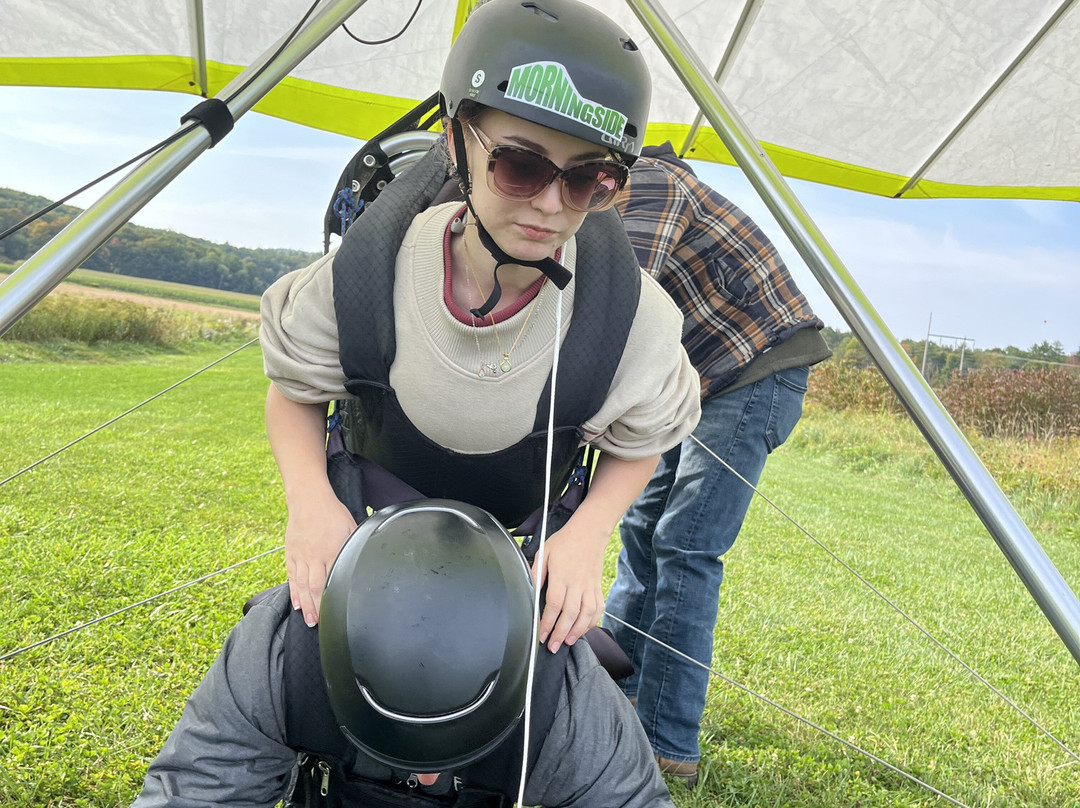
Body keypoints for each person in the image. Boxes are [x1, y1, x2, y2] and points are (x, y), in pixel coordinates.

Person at [259, 0, 699, 658]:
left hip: (515, 538)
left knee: (580, 711)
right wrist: (311, 503)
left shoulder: (631, 316)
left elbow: (642, 438)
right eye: (520, 165)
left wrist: (589, 534)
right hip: (374, 516)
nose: (550, 206)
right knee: (277, 664)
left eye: (588, 179)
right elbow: (294, 387)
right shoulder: (369, 271)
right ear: (458, 138)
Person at [130, 499, 676, 807]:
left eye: (447, 762)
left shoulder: (569, 707)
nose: (427, 782)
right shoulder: (279, 659)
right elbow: (193, 793)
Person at [603, 144, 832, 785]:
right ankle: (610, 698)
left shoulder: (648, 184)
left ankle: (666, 742)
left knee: (686, 546)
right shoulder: (627, 192)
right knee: (640, 531)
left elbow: (625, 300)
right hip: (696, 384)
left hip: (752, 378)